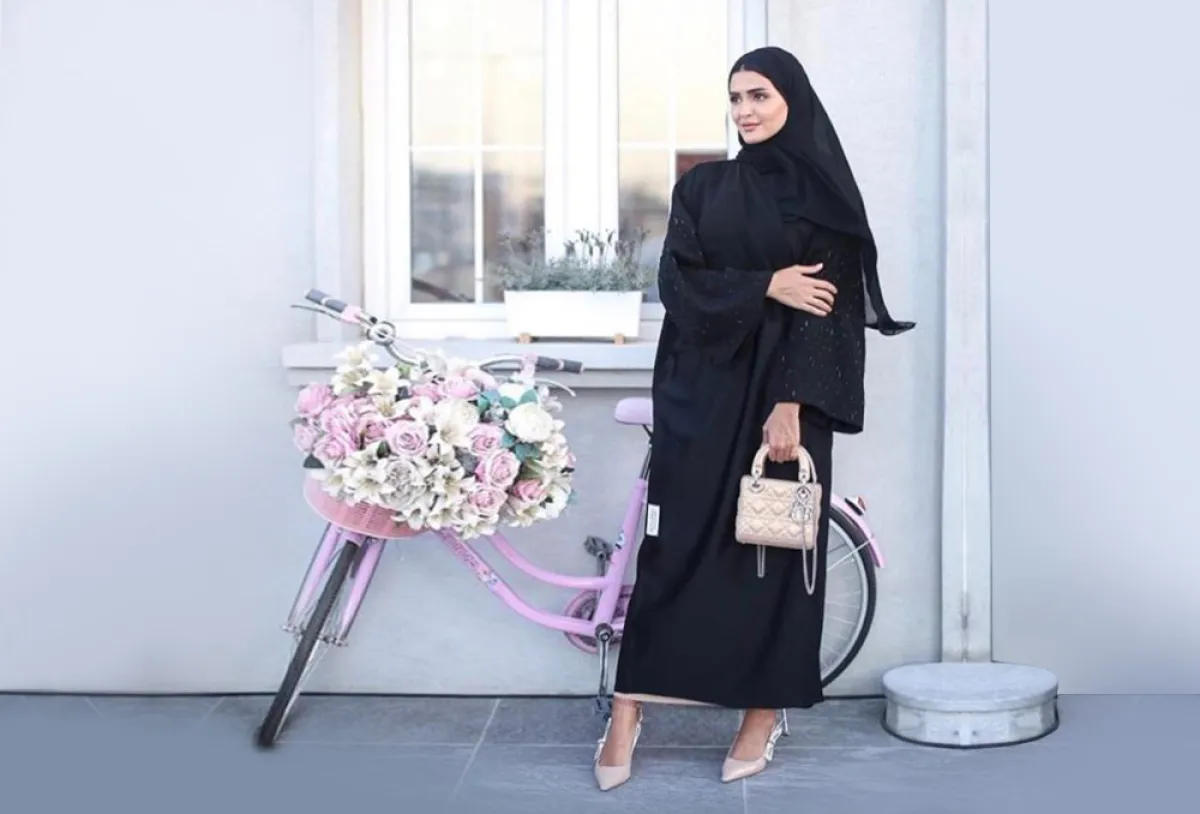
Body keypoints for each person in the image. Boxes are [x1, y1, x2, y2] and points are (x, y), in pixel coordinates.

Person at [593, 46, 914, 792]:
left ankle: (762, 713)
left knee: (770, 557)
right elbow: (678, 281)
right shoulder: (703, 187)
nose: (744, 110)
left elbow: (829, 314)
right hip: (701, 393)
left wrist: (791, 404)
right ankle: (628, 708)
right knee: (673, 554)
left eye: (759, 95)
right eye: (735, 97)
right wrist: (766, 283)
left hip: (782, 401)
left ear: (792, 99)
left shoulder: (825, 199)